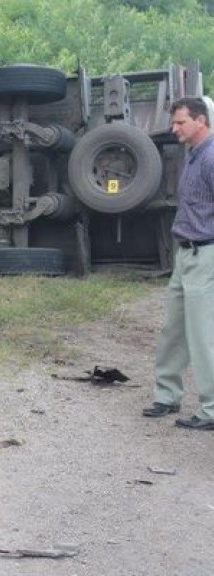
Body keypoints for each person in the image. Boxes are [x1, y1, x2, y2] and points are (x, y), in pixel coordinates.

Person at [142, 97, 214, 430]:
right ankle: (167, 396)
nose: (174, 128)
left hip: (206, 253)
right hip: (184, 254)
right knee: (173, 329)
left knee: (203, 334)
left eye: (180, 122)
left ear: (201, 121)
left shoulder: (212, 157)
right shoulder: (192, 156)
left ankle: (212, 409)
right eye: (174, 123)